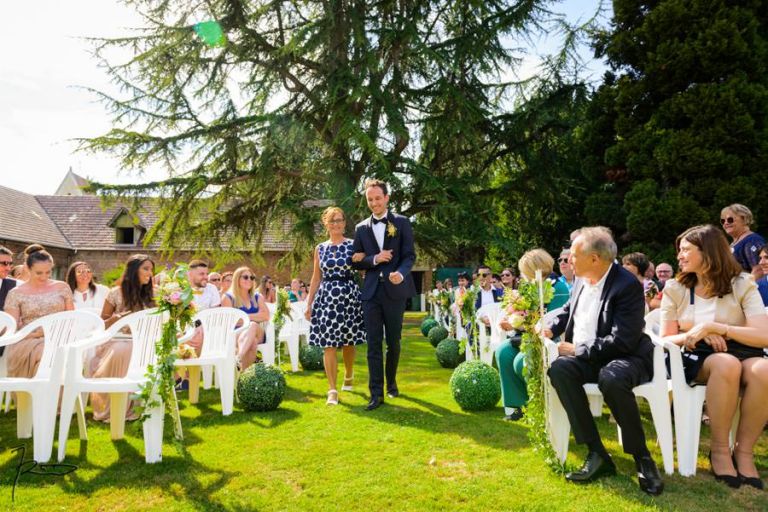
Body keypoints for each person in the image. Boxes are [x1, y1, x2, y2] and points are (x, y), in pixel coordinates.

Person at [542, 227, 663, 495]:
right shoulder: (581, 281)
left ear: (595, 258)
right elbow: (567, 312)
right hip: (588, 357)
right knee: (559, 370)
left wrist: (578, 350)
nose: (569, 260)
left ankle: (641, 456)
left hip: (626, 357)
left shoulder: (627, 285)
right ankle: (597, 453)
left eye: (574, 255)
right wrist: (549, 325)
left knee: (612, 378)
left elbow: (623, 340)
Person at [660, 225, 768, 489]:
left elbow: (764, 335)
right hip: (694, 357)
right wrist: (695, 335)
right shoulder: (675, 288)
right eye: (680, 251)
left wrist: (717, 328)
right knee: (725, 363)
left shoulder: (742, 284)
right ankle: (719, 450)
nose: (679, 257)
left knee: (764, 370)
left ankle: (743, 452)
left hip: (743, 351)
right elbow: (663, 339)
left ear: (707, 252)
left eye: (685, 250)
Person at [351, 178, 416, 411]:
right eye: (370, 199)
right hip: (370, 294)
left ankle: (392, 382)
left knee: (394, 343)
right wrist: (375, 259)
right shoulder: (360, 228)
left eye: (378, 198)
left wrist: (400, 272)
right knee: (373, 344)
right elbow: (356, 261)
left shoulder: (401, 222)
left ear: (387, 198)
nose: (374, 203)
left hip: (395, 290)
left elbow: (409, 255)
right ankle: (376, 394)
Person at [496, 249, 570, 421]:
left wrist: (520, 322)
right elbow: (523, 311)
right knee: (503, 352)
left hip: (551, 338)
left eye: (524, 269)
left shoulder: (556, 287)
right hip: (528, 335)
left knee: (521, 361)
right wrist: (513, 320)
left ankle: (541, 406)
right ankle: (519, 405)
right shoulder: (529, 287)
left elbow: (552, 319)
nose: (522, 274)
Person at [305, 207, 366, 405]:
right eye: (332, 221)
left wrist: (362, 259)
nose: (336, 224)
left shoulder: (353, 244)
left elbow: (365, 267)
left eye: (339, 220)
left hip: (349, 295)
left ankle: (348, 372)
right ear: (326, 225)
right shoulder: (320, 248)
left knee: (348, 342)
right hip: (327, 298)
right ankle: (332, 389)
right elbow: (316, 277)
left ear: (344, 222)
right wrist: (309, 303)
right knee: (328, 345)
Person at [91, 254, 155, 421]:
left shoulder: (154, 295)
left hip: (144, 341)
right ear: (134, 271)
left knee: (142, 350)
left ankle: (139, 404)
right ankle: (114, 407)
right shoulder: (115, 293)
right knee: (123, 349)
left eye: (151, 269)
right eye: (146, 269)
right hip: (117, 339)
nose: (150, 273)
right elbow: (102, 324)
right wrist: (117, 319)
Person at [3, 244, 74, 377]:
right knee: (46, 354)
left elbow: (71, 320)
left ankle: (48, 395)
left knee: (54, 352)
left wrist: (53, 333)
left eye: (48, 272)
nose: (44, 277)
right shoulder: (16, 293)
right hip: (27, 340)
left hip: (59, 339)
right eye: (39, 273)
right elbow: (11, 329)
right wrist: (36, 334)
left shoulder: (62, 287)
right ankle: (40, 395)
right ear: (28, 269)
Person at [221, 267, 269, 370]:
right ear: (237, 279)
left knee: (253, 325)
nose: (249, 280)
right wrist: (256, 316)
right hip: (236, 333)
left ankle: (238, 357)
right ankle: (244, 376)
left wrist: (244, 317)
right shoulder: (228, 297)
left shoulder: (257, 296)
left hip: (258, 331)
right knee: (252, 343)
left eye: (252, 278)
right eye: (245, 277)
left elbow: (266, 315)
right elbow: (230, 321)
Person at [185, 259, 221, 356]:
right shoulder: (181, 289)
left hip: (208, 328)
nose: (206, 277)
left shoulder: (212, 289)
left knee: (199, 333)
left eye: (206, 274)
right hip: (186, 328)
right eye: (201, 274)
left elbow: (215, 315)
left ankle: (196, 365)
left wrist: (200, 325)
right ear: (190, 274)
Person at [721, 203, 765, 279]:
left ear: (744, 219)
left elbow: (759, 270)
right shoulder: (734, 243)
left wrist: (746, 289)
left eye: (730, 220)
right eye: (723, 221)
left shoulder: (752, 241)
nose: (726, 223)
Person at [0, 246, 18, 343]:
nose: (8, 268)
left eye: (10, 264)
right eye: (4, 264)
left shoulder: (15, 285)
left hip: (5, 340)